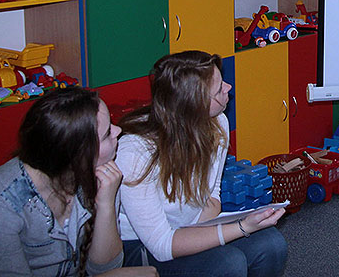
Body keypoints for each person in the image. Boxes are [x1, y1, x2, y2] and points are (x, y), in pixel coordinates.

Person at [117, 51, 287, 277]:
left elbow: (212, 193)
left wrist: (207, 226)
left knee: (272, 245)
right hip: (141, 245)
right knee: (228, 263)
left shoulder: (217, 122)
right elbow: (161, 245)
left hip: (190, 225)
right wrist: (242, 227)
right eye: (218, 89)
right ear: (194, 105)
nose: (228, 88)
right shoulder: (135, 151)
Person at [0, 87, 156, 277]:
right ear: (78, 157)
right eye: (106, 135)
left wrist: (106, 205)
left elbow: (103, 267)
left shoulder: (103, 173)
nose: (118, 130)